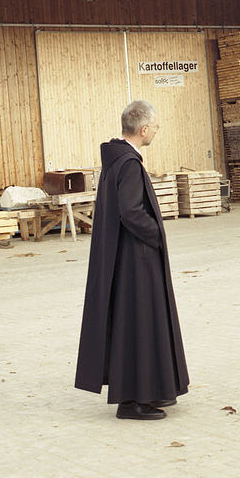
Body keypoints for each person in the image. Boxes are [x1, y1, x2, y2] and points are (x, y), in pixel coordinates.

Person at [75, 100, 189, 420]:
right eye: (155, 127)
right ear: (143, 129)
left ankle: (148, 391)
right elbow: (131, 212)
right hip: (136, 260)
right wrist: (156, 235)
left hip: (126, 258)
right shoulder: (129, 164)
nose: (156, 131)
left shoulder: (117, 160)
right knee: (139, 326)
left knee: (135, 325)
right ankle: (134, 401)